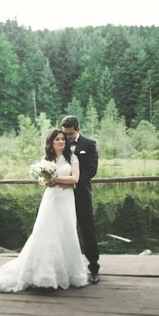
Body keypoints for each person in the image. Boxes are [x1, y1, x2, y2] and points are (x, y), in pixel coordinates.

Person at [0, 129, 88, 292]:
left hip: (66, 199)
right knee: (46, 232)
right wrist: (47, 181)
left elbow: (75, 179)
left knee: (67, 231)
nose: (61, 142)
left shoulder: (72, 158)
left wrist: (54, 179)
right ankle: (45, 273)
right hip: (51, 199)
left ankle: (69, 273)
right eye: (57, 140)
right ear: (51, 142)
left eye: (63, 140)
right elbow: (41, 181)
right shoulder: (46, 159)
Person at [61, 115, 100, 284]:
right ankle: (64, 269)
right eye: (65, 134)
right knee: (63, 230)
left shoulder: (89, 144)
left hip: (82, 193)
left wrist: (75, 183)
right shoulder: (60, 142)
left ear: (78, 129)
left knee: (87, 230)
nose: (67, 138)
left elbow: (92, 169)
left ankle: (94, 268)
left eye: (70, 134)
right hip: (62, 195)